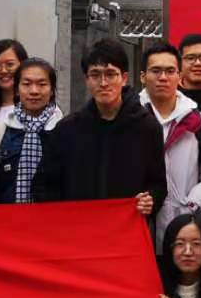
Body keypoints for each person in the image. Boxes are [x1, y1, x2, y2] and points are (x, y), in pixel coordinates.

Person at [32, 39, 165, 225]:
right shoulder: (67, 130)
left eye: (110, 74)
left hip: (125, 230)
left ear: (124, 78)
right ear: (86, 79)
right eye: (95, 75)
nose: (103, 83)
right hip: (78, 232)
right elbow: (44, 185)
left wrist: (150, 200)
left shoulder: (147, 128)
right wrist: (62, 218)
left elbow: (158, 184)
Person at [139, 43, 201, 248]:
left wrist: (191, 204)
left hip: (186, 232)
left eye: (170, 71)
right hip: (138, 227)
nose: (163, 77)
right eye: (156, 71)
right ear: (143, 76)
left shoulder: (200, 123)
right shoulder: (129, 120)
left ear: (179, 75)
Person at [0, 58, 62, 204]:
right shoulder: (1, 130)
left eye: (42, 84)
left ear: (52, 90)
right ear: (16, 89)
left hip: (52, 215)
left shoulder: (63, 130)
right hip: (9, 215)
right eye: (27, 84)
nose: (34, 91)